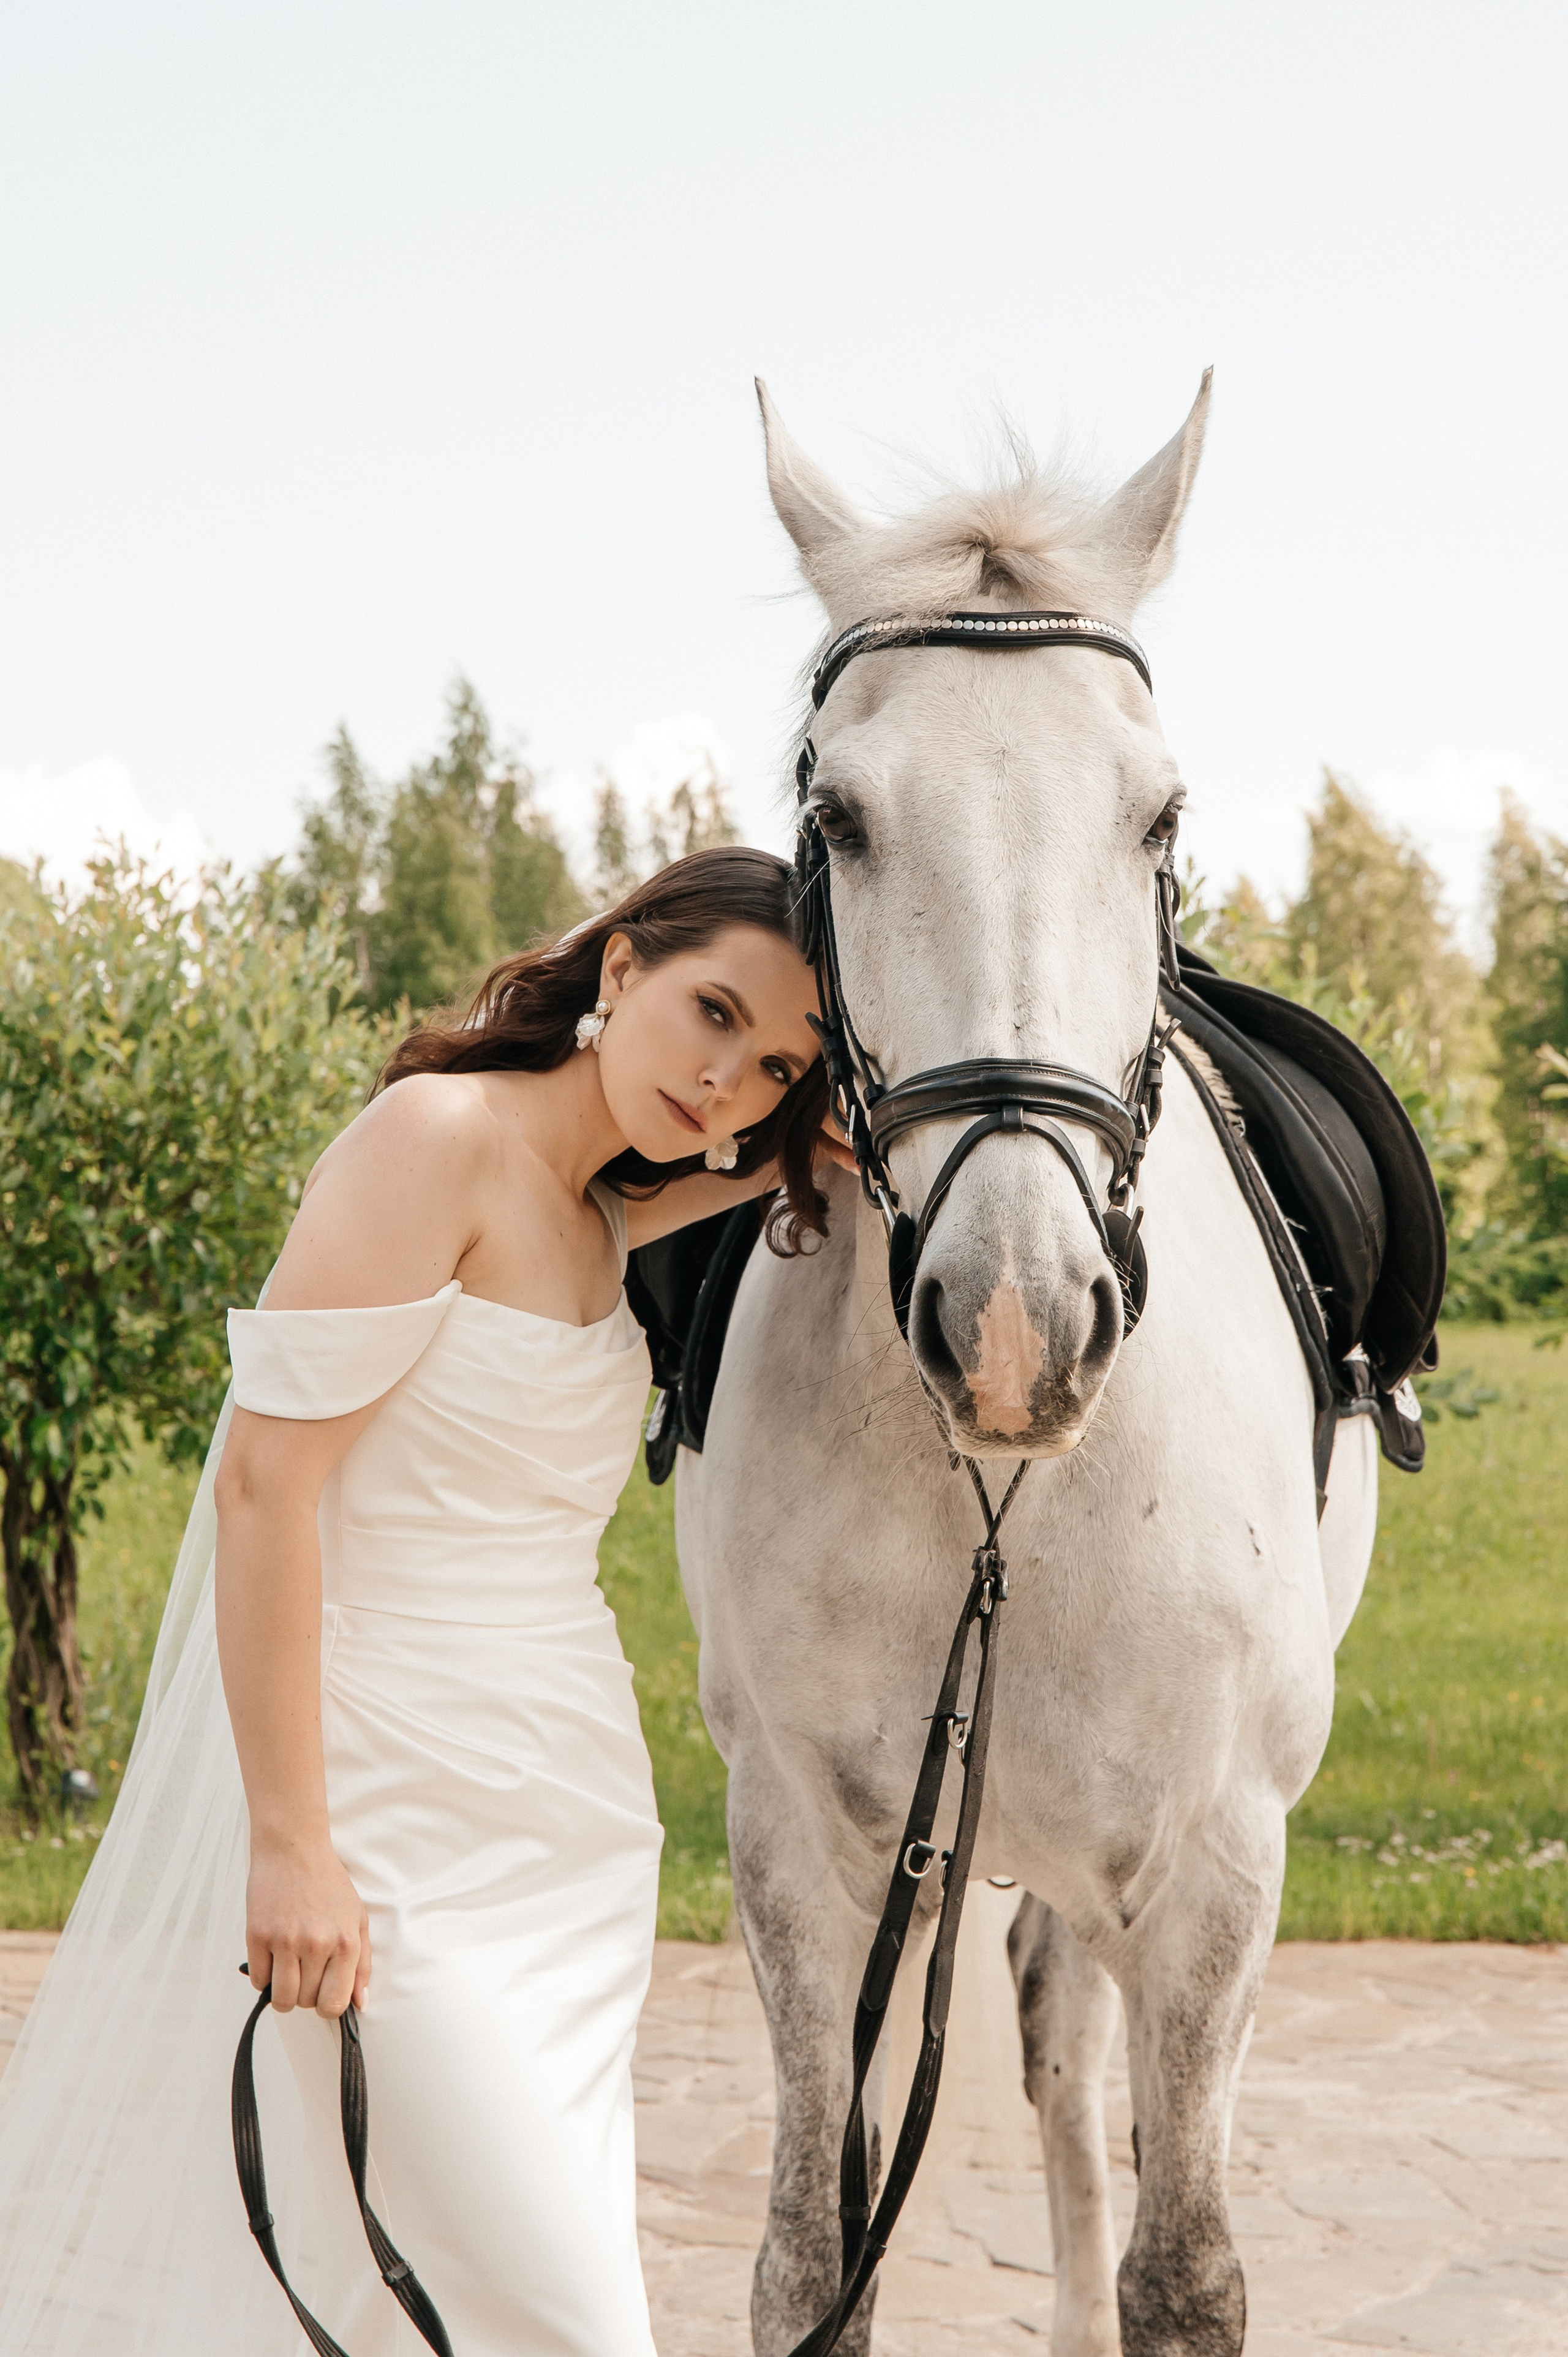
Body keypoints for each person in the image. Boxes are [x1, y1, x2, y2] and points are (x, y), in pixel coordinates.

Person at [0, 846, 843, 2356]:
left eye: (776, 1062)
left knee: (460, 2294)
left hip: (565, 1832)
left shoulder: (595, 1212)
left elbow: (666, 1201)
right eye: (712, 1012)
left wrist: (815, 1143)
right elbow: (265, 1490)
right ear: (622, 967)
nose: (728, 1082)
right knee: (554, 2313)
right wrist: (289, 1846)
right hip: (394, 1823)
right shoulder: (433, 1136)